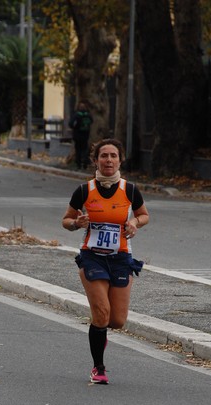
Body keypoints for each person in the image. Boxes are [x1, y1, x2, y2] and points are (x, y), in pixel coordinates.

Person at [62, 138, 149, 384]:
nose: (108, 160)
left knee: (117, 321)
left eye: (113, 156)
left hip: (121, 258)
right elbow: (66, 220)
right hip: (92, 257)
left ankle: (100, 333)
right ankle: (98, 368)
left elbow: (144, 215)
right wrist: (76, 224)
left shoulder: (130, 190)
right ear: (96, 160)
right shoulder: (84, 190)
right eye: (104, 156)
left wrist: (134, 223)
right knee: (101, 314)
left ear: (120, 160)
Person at [69, 101, 93, 169]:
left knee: (78, 150)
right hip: (86, 135)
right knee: (84, 149)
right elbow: (91, 121)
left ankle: (78, 164)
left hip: (77, 135)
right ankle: (85, 163)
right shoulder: (88, 115)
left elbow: (71, 124)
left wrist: (74, 127)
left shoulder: (77, 115)